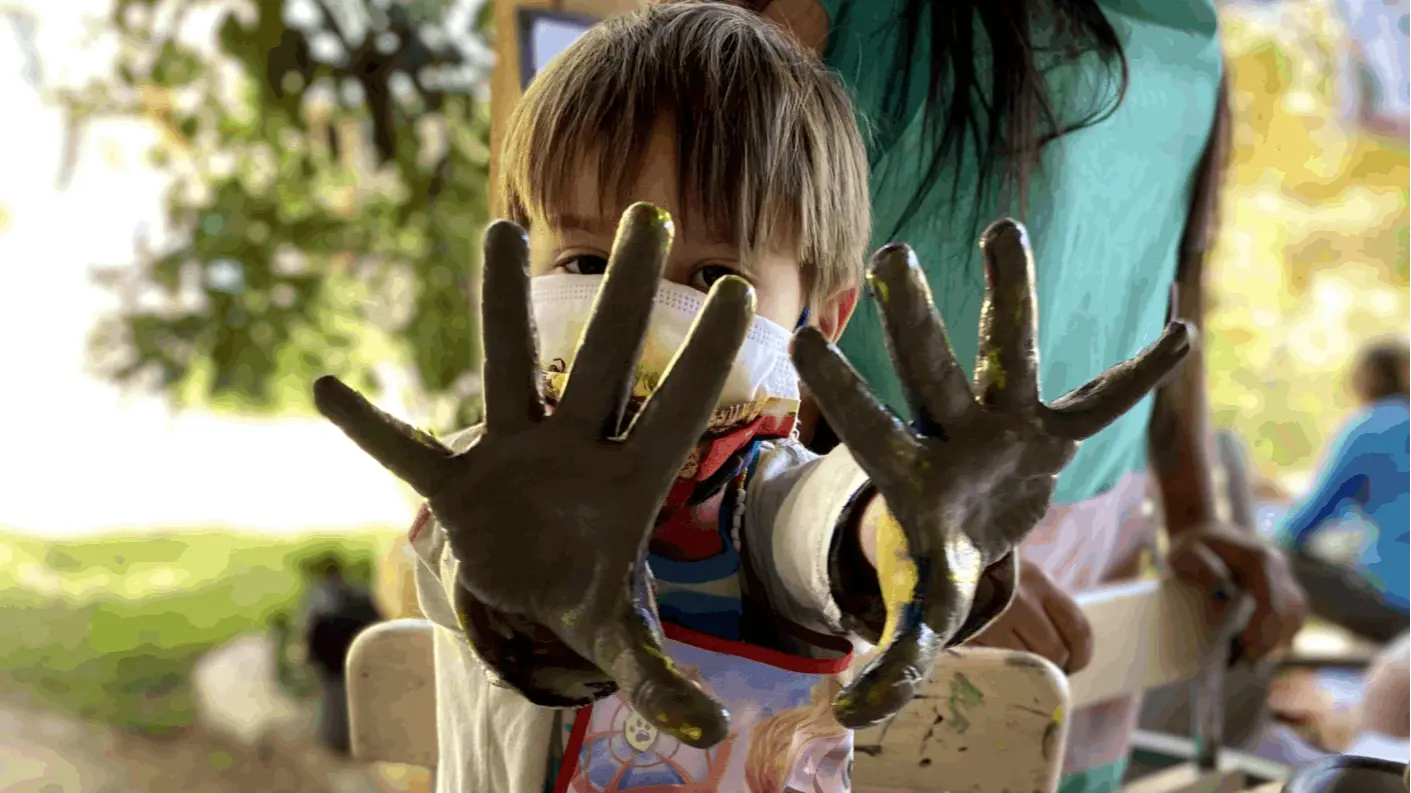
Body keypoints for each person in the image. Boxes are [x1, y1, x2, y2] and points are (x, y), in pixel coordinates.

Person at [720, 1, 1309, 791]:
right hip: (850, 554)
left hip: (1091, 581)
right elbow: (731, 307)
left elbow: (1174, 292)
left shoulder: (1192, 35)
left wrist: (1194, 509)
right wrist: (923, 533)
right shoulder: (830, 15)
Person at [1276, 339, 1411, 643]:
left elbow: (1301, 526)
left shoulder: (1371, 428)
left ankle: (1271, 671)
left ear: (1363, 382)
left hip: (1399, 610)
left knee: (1275, 560)